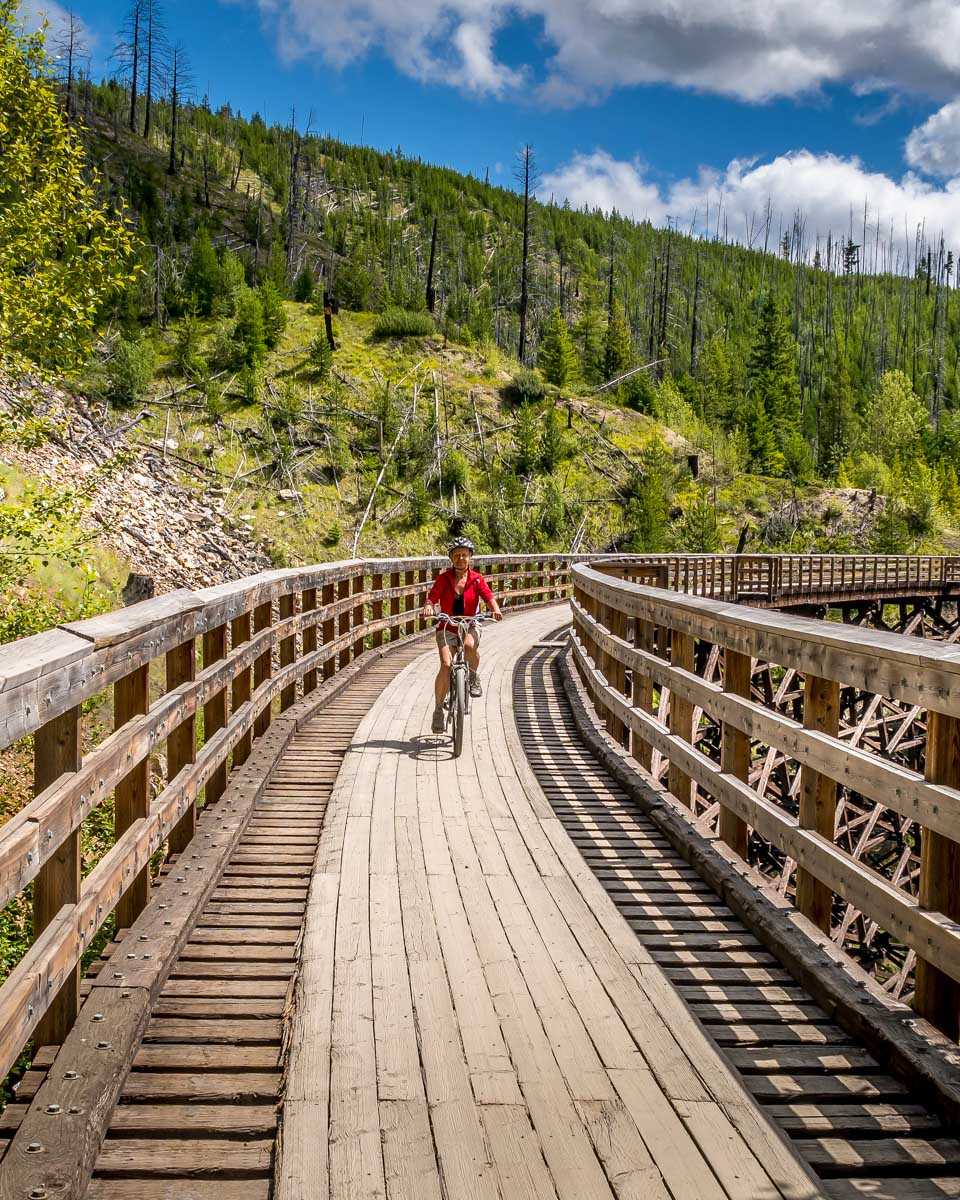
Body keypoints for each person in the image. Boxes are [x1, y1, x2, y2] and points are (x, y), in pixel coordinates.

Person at [423, 536, 503, 733]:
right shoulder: (443, 579)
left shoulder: (477, 579)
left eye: (464, 555)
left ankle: (473, 677)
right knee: (445, 664)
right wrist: (428, 606)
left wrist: (495, 609)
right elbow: (432, 597)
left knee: (469, 646)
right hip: (446, 625)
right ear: (451, 558)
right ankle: (438, 711)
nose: (461, 559)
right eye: (457, 555)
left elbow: (488, 597)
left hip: (470, 623)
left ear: (470, 558)